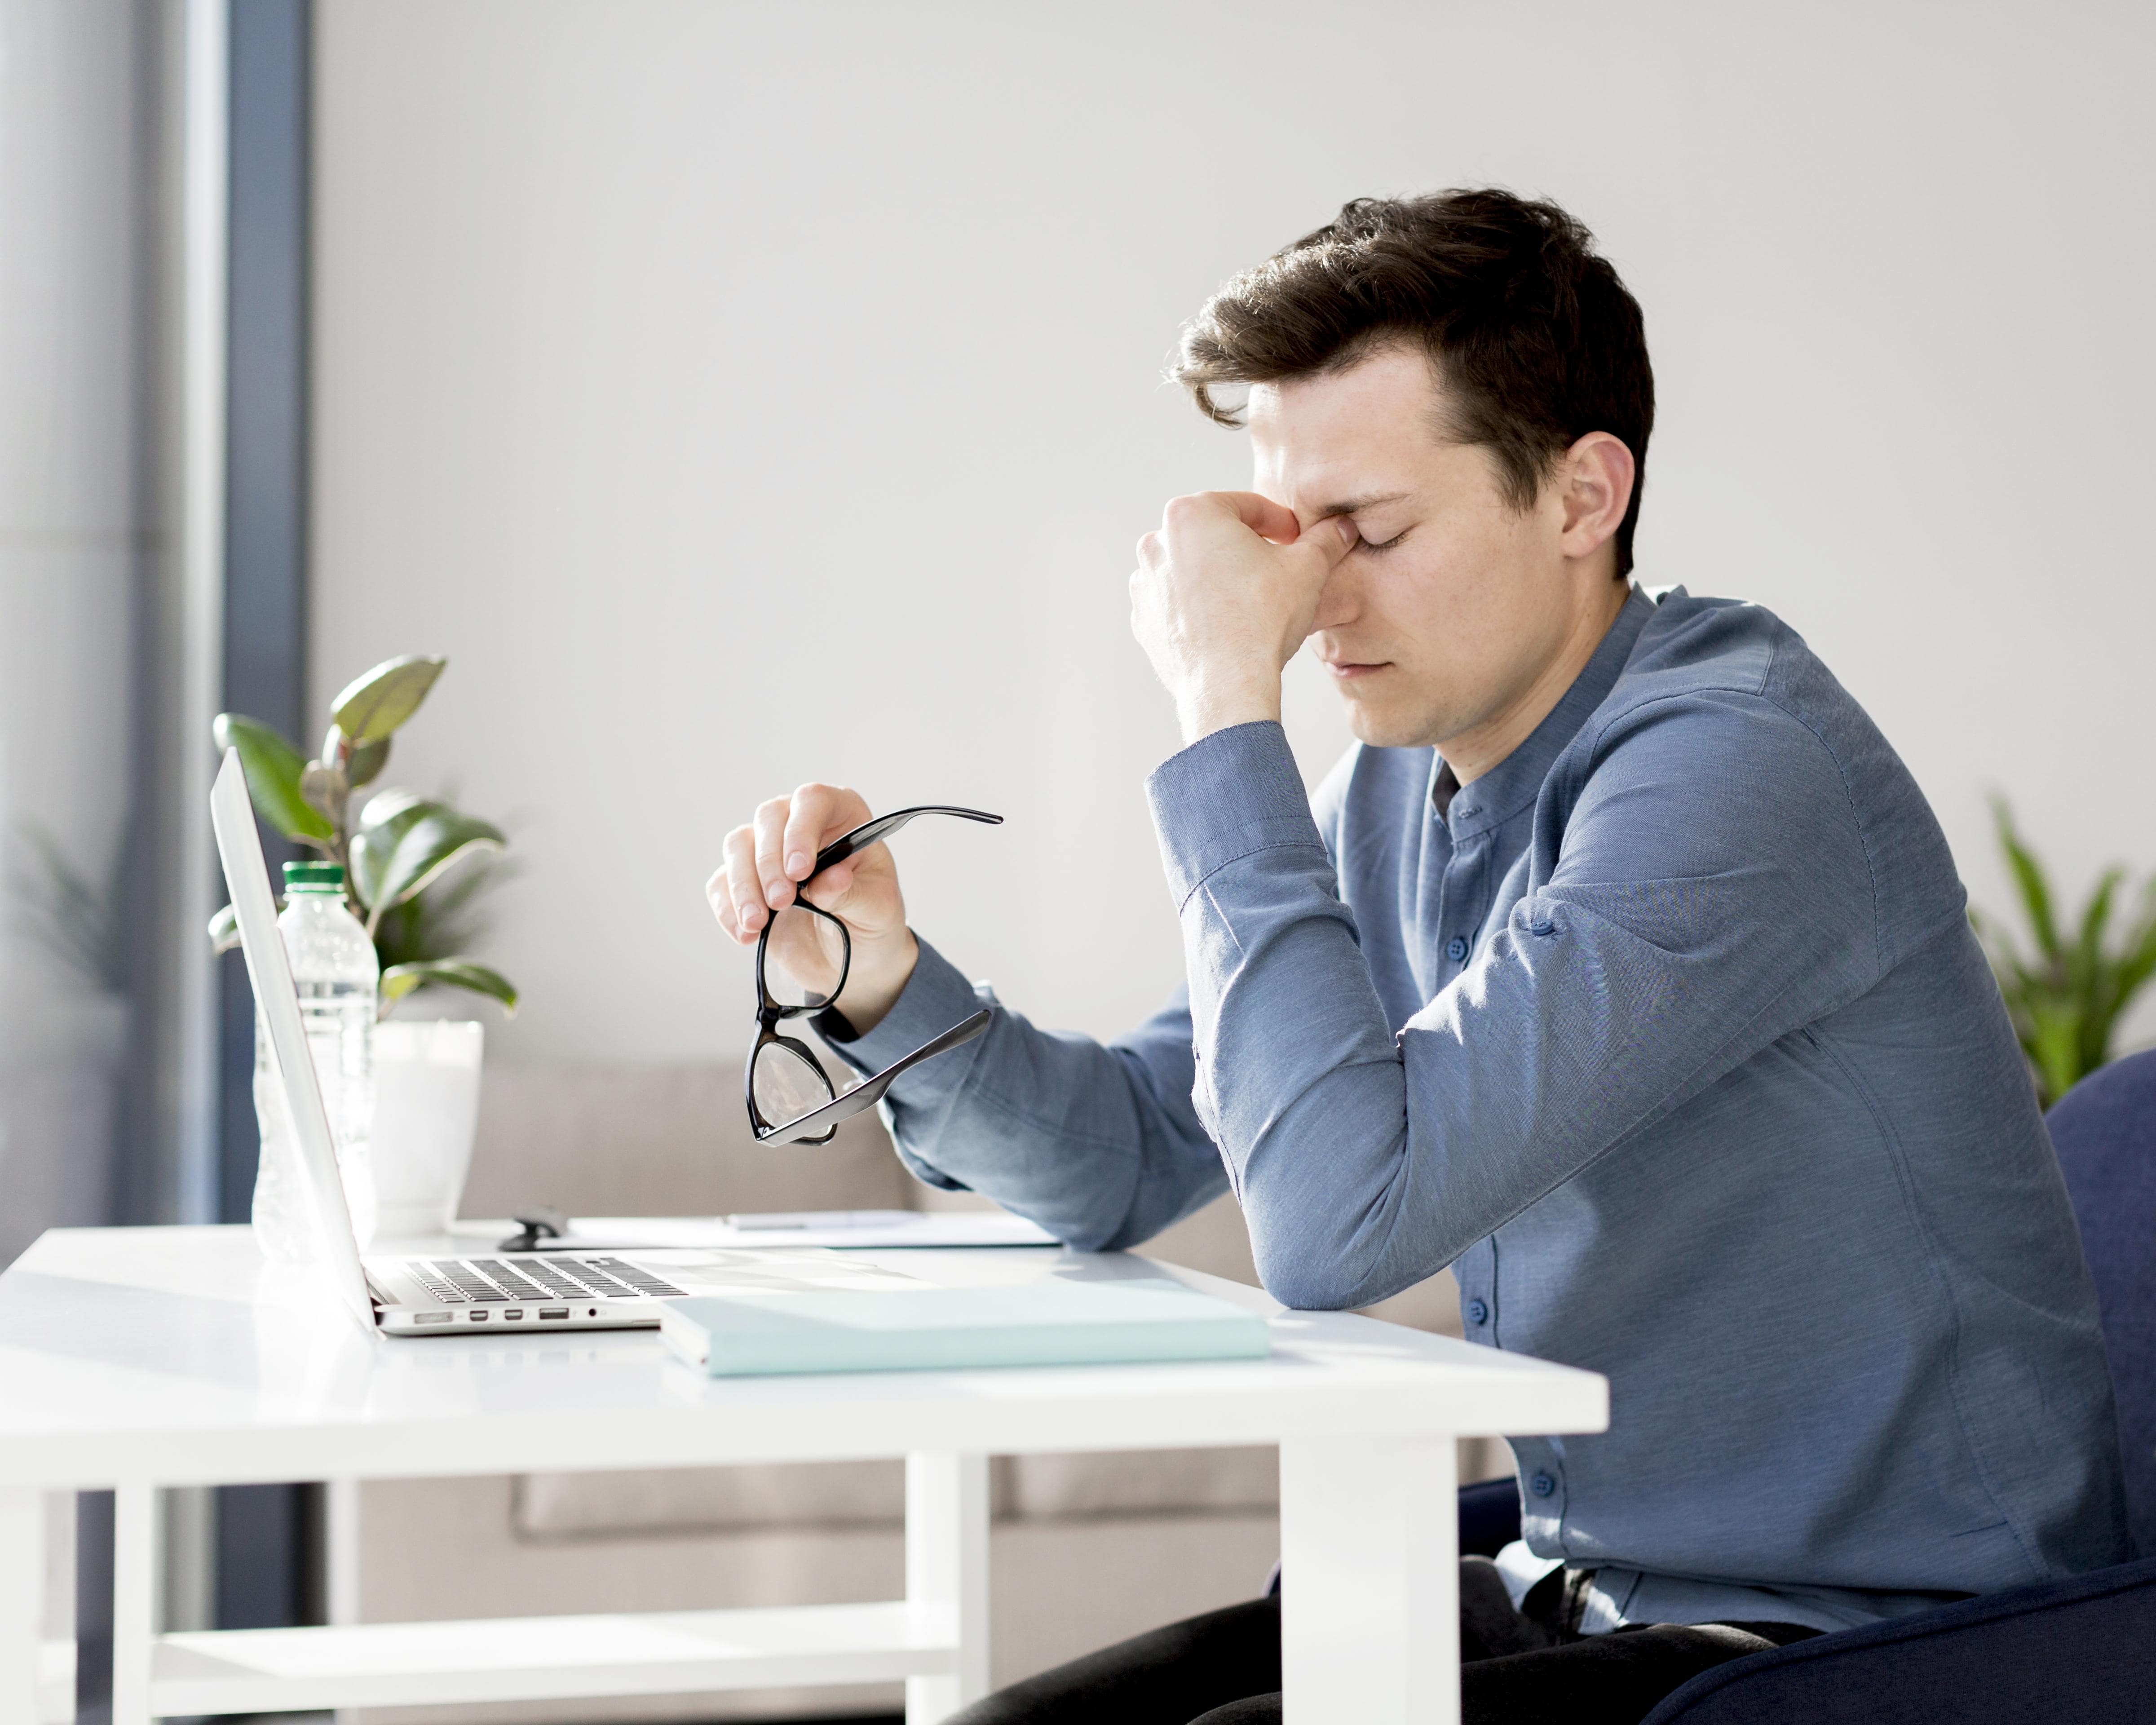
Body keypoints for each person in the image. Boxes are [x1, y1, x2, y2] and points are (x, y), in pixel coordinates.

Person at [707, 190, 2129, 1725]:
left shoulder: (1735, 773)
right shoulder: (1397, 791)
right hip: (1570, 1588)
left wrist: (1221, 711)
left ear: (1584, 497)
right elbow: (1126, 1155)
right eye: (1286, 539)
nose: (1314, 602)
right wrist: (878, 979)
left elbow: (1332, 1227)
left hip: (1861, 1651)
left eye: (1373, 533)